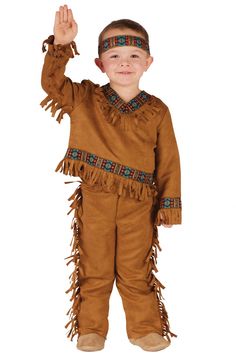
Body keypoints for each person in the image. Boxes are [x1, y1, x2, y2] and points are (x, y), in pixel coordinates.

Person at [40, 4, 182, 352]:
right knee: (95, 266)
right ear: (100, 64)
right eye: (114, 54)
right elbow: (52, 85)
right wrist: (60, 46)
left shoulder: (158, 110)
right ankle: (91, 328)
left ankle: (145, 328)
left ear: (148, 63)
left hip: (139, 205)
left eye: (135, 54)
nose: (124, 62)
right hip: (97, 200)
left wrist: (168, 204)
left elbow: (169, 161)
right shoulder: (85, 97)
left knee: (135, 269)